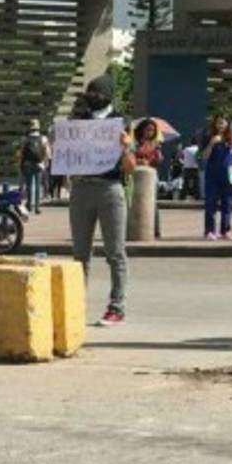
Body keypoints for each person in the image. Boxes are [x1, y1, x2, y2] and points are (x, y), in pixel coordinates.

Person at [68, 74, 135, 327]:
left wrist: (126, 147)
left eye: (96, 93)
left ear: (106, 95)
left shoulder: (120, 122)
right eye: (89, 93)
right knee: (80, 254)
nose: (91, 98)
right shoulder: (79, 121)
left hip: (110, 190)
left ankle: (116, 307)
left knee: (115, 252)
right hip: (82, 189)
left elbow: (130, 168)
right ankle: (76, 304)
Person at [200, 114, 232, 240]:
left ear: (228, 124)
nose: (220, 125)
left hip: (230, 173)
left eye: (223, 123)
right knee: (210, 203)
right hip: (212, 175)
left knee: (228, 204)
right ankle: (209, 231)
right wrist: (212, 143)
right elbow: (204, 156)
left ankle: (226, 230)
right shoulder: (208, 136)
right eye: (218, 123)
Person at [132, 118, 164, 238]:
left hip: (151, 175)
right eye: (148, 130)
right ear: (142, 130)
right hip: (135, 174)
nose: (150, 132)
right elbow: (129, 156)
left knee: (153, 202)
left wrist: (156, 154)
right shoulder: (135, 143)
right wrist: (138, 160)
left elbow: (159, 160)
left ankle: (155, 230)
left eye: (152, 130)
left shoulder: (155, 144)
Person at [18, 119, 50, 214]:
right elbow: (47, 152)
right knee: (38, 185)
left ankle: (29, 205)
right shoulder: (43, 138)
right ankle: (37, 207)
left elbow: (21, 153)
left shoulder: (25, 139)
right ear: (38, 128)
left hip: (28, 164)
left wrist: (20, 164)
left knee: (29, 185)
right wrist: (44, 162)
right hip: (39, 164)